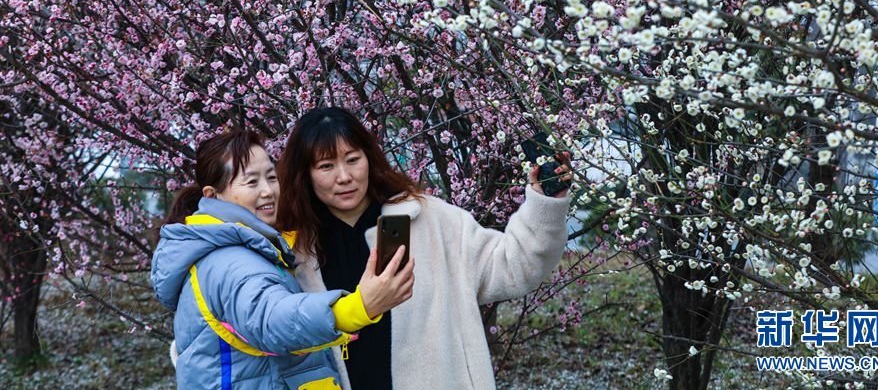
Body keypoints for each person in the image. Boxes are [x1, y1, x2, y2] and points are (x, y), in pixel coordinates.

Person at [276, 107, 572, 390]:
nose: (344, 176)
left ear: (369, 158)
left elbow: (513, 266)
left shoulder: (426, 219)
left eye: (353, 159)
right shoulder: (294, 252)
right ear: (305, 174)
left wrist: (546, 202)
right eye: (326, 166)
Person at [151, 129, 414, 389]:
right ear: (212, 195)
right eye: (252, 182)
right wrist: (357, 307)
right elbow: (270, 319)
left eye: (271, 177)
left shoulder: (235, 249)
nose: (268, 191)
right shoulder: (228, 262)